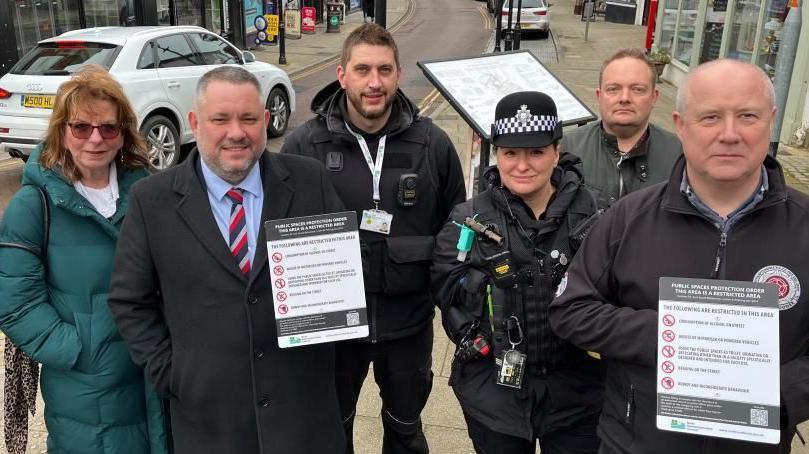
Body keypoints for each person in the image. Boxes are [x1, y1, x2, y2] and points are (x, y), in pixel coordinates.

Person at [549, 59, 809, 454]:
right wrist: (673, 336)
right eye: (709, 117)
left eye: (748, 116)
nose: (729, 134)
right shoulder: (627, 218)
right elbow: (571, 309)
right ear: (681, 124)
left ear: (771, 121)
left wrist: (787, 392)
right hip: (636, 443)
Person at [107, 66, 346, 454]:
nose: (236, 132)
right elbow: (128, 300)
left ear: (265, 120)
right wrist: (172, 373)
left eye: (249, 118)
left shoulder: (310, 181)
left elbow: (342, 275)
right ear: (195, 123)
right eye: (220, 119)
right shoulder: (153, 201)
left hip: (302, 414)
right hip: (209, 421)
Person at [281, 23, 466, 454]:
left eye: (384, 70)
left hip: (409, 325)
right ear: (342, 74)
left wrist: (453, 303)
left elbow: (455, 229)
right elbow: (280, 234)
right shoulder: (305, 144)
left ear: (398, 74)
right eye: (362, 69)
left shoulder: (432, 144)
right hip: (333, 331)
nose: (374, 82)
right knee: (331, 426)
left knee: (404, 427)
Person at [0, 65, 168, 453]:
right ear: (62, 131)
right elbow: (15, 302)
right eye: (81, 127)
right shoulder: (33, 204)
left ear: (124, 133)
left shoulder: (150, 190)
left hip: (154, 369)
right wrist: (79, 348)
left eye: (108, 128)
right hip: (85, 388)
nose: (96, 139)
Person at [432, 91, 603, 454]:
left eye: (536, 152)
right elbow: (446, 293)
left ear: (556, 152)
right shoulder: (468, 218)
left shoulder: (598, 216)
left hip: (578, 394)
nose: (522, 166)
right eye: (511, 153)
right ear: (497, 154)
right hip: (495, 396)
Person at [561, 48, 682, 209]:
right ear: (599, 96)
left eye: (637, 89)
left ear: (654, 97)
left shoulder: (680, 155)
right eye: (613, 89)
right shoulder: (567, 149)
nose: (624, 98)